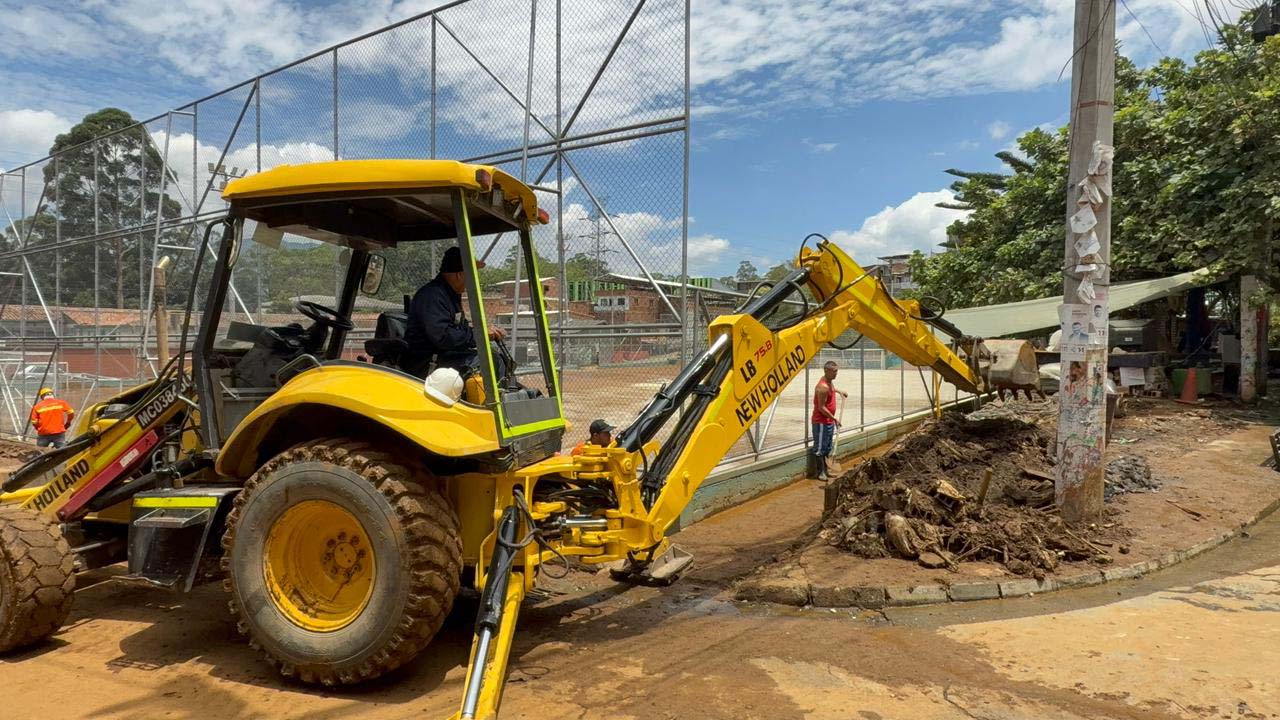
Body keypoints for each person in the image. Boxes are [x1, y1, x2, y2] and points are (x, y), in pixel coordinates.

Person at [404, 246, 507, 379]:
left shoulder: (450, 295)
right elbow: (444, 336)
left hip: (443, 358)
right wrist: (479, 335)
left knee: (495, 357)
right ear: (460, 274)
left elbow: (460, 329)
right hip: (426, 364)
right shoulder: (433, 296)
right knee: (486, 361)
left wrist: (482, 333)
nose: (474, 279)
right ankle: (489, 399)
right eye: (472, 273)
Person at [810, 361, 847, 480]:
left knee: (827, 447)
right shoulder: (822, 387)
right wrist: (834, 418)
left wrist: (839, 391)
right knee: (820, 448)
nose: (836, 373)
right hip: (821, 422)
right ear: (827, 371)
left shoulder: (829, 382)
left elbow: (831, 390)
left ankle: (826, 470)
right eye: (834, 371)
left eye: (837, 371)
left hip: (828, 421)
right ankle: (820, 472)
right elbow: (821, 407)